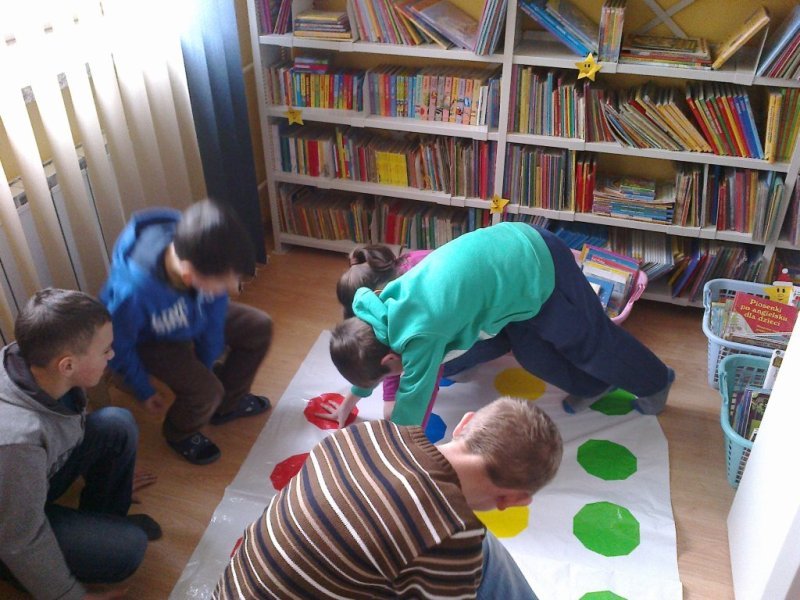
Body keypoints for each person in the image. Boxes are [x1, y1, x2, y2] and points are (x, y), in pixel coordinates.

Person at [214, 396, 563, 599]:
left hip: (234, 588)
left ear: (464, 423)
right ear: (512, 501)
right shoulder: (450, 535)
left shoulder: (369, 433)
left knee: (480, 550)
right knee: (478, 551)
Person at [329, 222, 675, 427]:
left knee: (590, 342)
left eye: (391, 371)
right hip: (509, 286)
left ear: (391, 359)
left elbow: (412, 405)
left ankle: (656, 381)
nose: (397, 372)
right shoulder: (375, 307)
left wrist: (390, 455)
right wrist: (351, 401)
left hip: (537, 263)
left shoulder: (419, 335)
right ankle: (594, 384)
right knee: (535, 354)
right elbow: (371, 359)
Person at [0, 288, 161, 600]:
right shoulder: (16, 443)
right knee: (128, 550)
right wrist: (68, 595)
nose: (111, 355)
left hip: (26, 482)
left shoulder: (36, 365)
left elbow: (66, 429)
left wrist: (115, 480)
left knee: (117, 424)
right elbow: (18, 537)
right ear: (68, 365)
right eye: (105, 350)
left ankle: (103, 520)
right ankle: (13, 572)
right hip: (8, 527)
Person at [100, 199, 273, 465]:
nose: (232, 289)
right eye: (223, 283)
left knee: (259, 326)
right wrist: (143, 389)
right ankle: (180, 433)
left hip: (192, 315)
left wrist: (205, 363)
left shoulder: (203, 253)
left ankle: (228, 405)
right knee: (207, 392)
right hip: (152, 341)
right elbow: (118, 344)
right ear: (190, 276)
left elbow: (214, 317)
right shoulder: (133, 292)